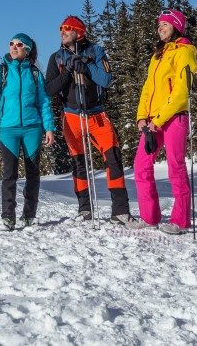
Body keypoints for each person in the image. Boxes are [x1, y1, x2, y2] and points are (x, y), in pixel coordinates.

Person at [44, 15, 136, 226]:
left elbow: (106, 80)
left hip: (96, 113)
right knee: (78, 163)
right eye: (61, 29)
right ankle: (84, 209)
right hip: (71, 115)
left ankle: (120, 211)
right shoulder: (56, 58)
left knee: (113, 157)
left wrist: (86, 67)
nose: (62, 32)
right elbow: (49, 89)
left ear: (79, 31)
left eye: (67, 28)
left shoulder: (96, 51)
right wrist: (68, 71)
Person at [134, 9, 197, 234]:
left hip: (174, 118)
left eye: (165, 24)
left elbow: (182, 91)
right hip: (152, 121)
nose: (160, 28)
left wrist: (159, 119)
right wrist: (142, 117)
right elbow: (147, 89)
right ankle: (149, 217)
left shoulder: (185, 51)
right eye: (159, 24)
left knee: (175, 167)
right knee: (140, 166)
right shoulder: (157, 55)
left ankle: (180, 221)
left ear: (177, 27)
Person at [0, 33, 55, 231]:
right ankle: (8, 216)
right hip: (8, 130)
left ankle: (29, 214)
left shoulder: (35, 74)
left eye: (19, 44)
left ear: (28, 49)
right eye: (11, 43)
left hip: (33, 128)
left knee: (33, 174)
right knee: (9, 175)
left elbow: (43, 102)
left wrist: (49, 127)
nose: (14, 47)